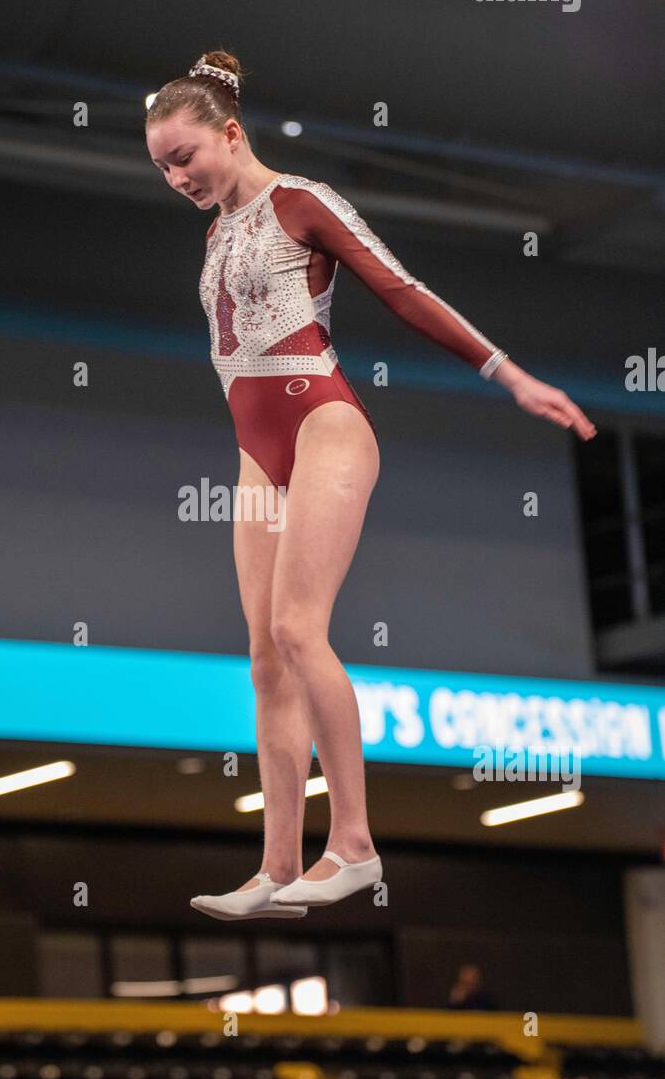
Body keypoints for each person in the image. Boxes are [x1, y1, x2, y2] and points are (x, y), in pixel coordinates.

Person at [145, 50, 597, 921]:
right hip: (254, 452)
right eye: (161, 165)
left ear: (229, 134)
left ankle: (351, 844)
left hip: (325, 427)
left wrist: (508, 373)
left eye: (185, 156)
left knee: (296, 627)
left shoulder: (302, 203)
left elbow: (401, 289)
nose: (176, 177)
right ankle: (278, 867)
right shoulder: (214, 234)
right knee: (263, 659)